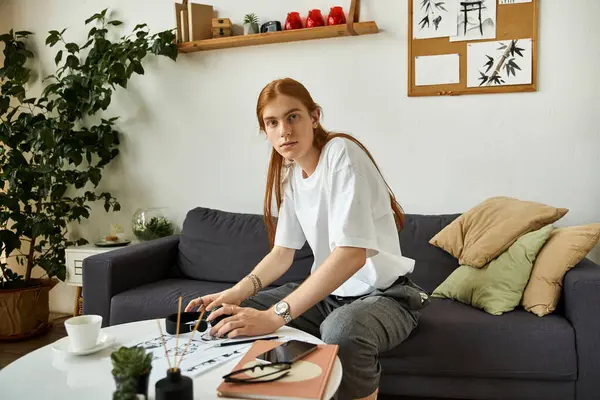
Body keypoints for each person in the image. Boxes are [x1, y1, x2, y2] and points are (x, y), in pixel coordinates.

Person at [185, 78, 429, 400]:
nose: (284, 130)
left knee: (341, 331)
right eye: (272, 123)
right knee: (232, 314)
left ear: (314, 117)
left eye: (293, 117)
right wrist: (231, 294)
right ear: (266, 131)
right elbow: (282, 254)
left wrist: (274, 317)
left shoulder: (341, 154)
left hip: (386, 295)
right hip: (331, 296)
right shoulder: (292, 176)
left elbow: (351, 254)